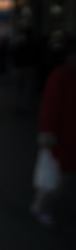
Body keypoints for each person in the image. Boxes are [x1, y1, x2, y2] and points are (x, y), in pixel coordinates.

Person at [31, 36, 76, 226]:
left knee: (59, 176)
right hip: (61, 137)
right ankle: (40, 206)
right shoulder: (61, 75)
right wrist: (47, 132)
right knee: (54, 177)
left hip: (68, 134)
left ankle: (41, 205)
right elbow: (50, 106)